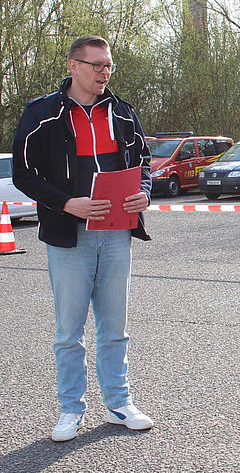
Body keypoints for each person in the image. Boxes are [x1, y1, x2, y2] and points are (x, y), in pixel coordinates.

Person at [12, 36, 154, 442]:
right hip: (68, 235)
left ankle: (119, 403)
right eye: (96, 66)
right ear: (73, 66)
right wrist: (65, 203)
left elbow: (145, 163)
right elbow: (23, 173)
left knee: (115, 327)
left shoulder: (123, 113)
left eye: (108, 66)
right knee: (68, 332)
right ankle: (71, 410)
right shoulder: (41, 114)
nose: (104, 73)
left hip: (116, 234)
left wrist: (146, 191)